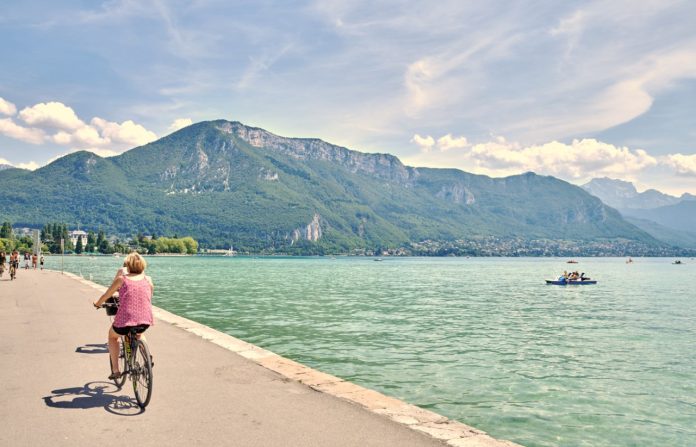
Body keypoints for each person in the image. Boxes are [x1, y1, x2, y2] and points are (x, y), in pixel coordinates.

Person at [93, 252, 154, 379]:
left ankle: (116, 370)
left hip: (125, 320)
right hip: (145, 319)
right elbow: (149, 296)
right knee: (139, 333)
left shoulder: (122, 279)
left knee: (112, 337)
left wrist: (97, 303)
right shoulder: (148, 279)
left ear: (128, 266)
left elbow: (107, 295)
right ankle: (147, 357)